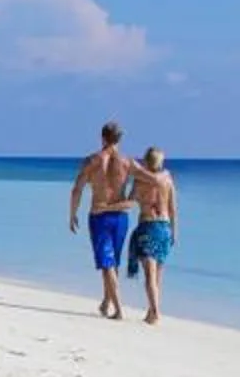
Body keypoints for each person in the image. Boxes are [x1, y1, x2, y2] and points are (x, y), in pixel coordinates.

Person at [66, 121, 138, 320]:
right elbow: (148, 178)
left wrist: (72, 214)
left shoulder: (92, 161)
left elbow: (77, 189)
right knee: (112, 263)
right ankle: (106, 303)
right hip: (121, 218)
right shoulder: (128, 163)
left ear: (102, 137)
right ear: (119, 139)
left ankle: (119, 310)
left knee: (107, 264)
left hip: (99, 216)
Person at [127, 147, 179, 325]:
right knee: (157, 277)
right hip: (164, 228)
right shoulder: (168, 180)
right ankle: (152, 312)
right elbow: (173, 208)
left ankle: (155, 313)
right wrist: (174, 230)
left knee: (150, 276)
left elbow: (130, 200)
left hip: (148, 227)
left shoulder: (140, 180)